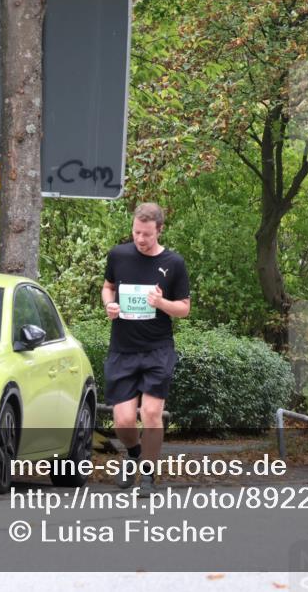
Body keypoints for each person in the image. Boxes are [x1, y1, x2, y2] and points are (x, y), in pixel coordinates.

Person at [102, 203, 191, 496]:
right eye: (136, 232)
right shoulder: (118, 255)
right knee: (124, 420)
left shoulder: (174, 263)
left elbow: (184, 309)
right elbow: (107, 286)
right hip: (123, 349)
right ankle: (134, 453)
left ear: (160, 231)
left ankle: (148, 477)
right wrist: (109, 305)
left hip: (157, 349)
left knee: (151, 413)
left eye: (147, 235)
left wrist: (161, 303)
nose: (140, 239)